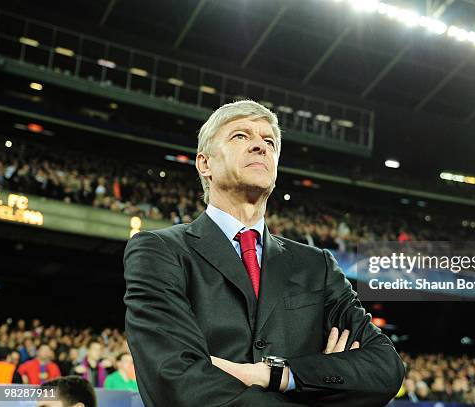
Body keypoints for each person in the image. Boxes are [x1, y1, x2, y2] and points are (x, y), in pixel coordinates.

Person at [124, 99, 405, 406]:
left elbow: (384, 368)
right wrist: (319, 389)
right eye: (240, 136)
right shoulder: (159, 251)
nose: (260, 146)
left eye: (268, 140)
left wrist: (277, 375)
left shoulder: (317, 265)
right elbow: (178, 382)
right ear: (205, 164)